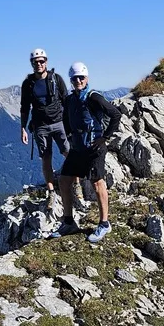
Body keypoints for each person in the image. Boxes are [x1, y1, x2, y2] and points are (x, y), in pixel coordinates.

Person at [59, 61, 122, 242]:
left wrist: (105, 137)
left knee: (97, 183)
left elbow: (115, 114)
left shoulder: (94, 97)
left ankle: (104, 224)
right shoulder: (70, 100)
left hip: (94, 147)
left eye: (81, 77)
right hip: (78, 148)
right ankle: (69, 222)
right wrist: (69, 137)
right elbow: (66, 120)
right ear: (71, 80)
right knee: (64, 180)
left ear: (86, 78)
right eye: (75, 78)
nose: (78, 81)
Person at [19, 48, 70, 192]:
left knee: (68, 153)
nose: (39, 64)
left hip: (59, 122)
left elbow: (66, 100)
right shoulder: (28, 84)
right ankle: (51, 190)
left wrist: (70, 122)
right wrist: (23, 128)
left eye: (41, 61)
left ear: (46, 62)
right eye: (35, 62)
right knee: (46, 158)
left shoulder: (56, 79)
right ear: (32, 64)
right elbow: (24, 107)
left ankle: (76, 184)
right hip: (40, 126)